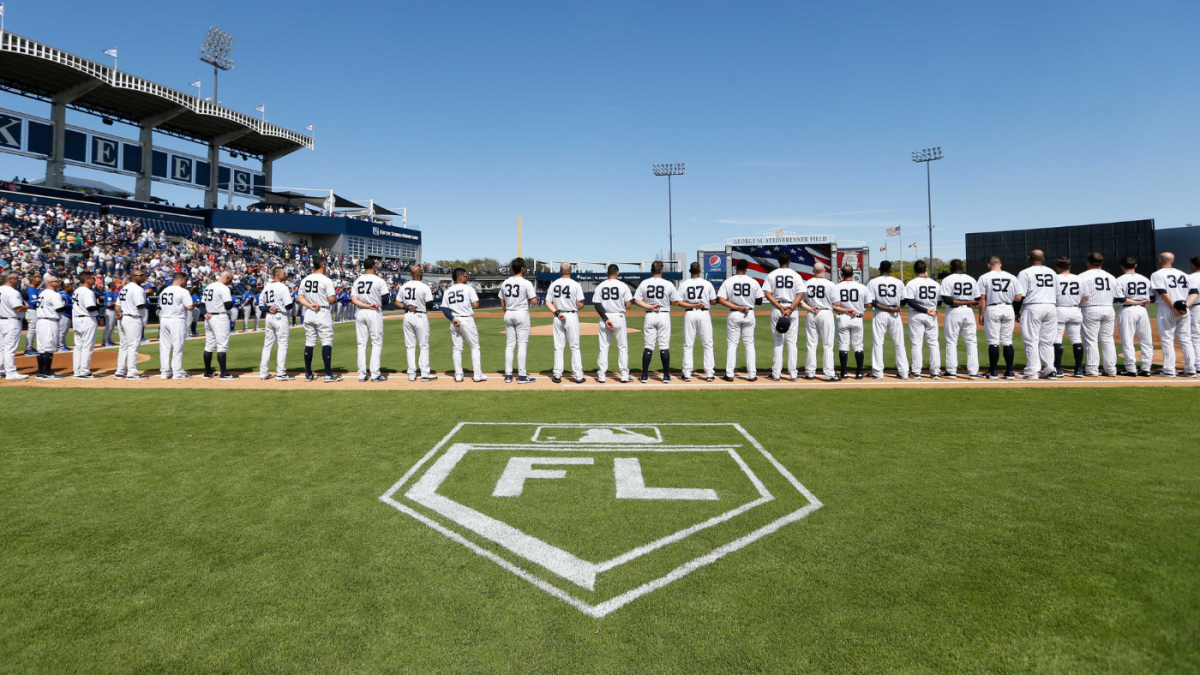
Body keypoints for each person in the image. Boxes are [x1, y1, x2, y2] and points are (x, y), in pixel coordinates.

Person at [1149, 252, 1196, 378]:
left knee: (1167, 339)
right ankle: (1191, 369)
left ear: (1160, 260)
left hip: (1167, 308)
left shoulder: (1157, 274)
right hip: (1184, 309)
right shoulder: (1184, 274)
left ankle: (1169, 370)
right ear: (1172, 261)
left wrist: (1174, 307)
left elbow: (1163, 293)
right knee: (1186, 340)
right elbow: (1195, 293)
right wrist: (1185, 306)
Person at [716, 258, 764, 381]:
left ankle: (730, 374)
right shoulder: (753, 281)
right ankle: (752, 374)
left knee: (732, 344)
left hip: (734, 313)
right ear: (747, 268)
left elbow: (721, 299)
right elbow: (759, 301)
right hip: (749, 313)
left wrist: (738, 306)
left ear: (736, 267)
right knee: (749, 344)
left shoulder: (729, 281)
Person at [633, 260, 680, 383]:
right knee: (664, 346)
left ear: (651, 270)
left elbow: (637, 300)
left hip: (650, 315)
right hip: (663, 314)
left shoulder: (645, 283)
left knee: (648, 346)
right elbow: (676, 301)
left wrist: (649, 306)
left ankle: (644, 375)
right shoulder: (668, 283)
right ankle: (665, 376)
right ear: (662, 270)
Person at [1014, 249, 1058, 380]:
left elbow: (1019, 296)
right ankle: (1050, 370)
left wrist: (1017, 311)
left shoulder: (1025, 272)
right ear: (1043, 258)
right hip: (1050, 306)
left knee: (1031, 340)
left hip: (1033, 306)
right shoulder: (1052, 272)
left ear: (1029, 258)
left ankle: (1032, 371)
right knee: (1048, 341)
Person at [298, 257, 341, 382]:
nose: (326, 266)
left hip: (309, 311)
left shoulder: (305, 279)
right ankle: (328, 373)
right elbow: (332, 299)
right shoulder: (326, 280)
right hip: (322, 311)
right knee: (326, 340)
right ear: (322, 265)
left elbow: (300, 297)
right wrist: (321, 300)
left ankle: (308, 373)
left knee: (310, 341)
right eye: (325, 264)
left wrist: (310, 304)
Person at [976, 256, 1019, 379]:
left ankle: (993, 372)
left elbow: (982, 298)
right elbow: (1018, 297)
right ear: (1001, 264)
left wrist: (981, 314)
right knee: (1007, 341)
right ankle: (1010, 372)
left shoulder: (984, 277)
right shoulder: (1012, 277)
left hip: (993, 308)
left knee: (993, 341)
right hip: (1008, 308)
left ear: (989, 265)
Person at [763, 252, 804, 381]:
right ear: (789, 262)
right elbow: (800, 294)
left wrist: (781, 308)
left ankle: (776, 374)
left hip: (777, 308)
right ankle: (793, 374)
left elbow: (768, 293)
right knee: (792, 342)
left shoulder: (772, 274)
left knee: (778, 341)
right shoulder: (796, 275)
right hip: (792, 310)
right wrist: (790, 308)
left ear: (778, 262)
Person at [1077, 252, 1119, 377]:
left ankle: (1092, 369)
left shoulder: (1082, 276)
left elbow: (1080, 296)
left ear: (1088, 262)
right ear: (1101, 262)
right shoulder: (1111, 277)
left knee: (1091, 340)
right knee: (1107, 339)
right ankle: (1111, 369)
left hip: (1091, 308)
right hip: (1108, 308)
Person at [866, 260, 908, 380]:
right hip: (894, 313)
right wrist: (895, 307)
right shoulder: (898, 282)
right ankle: (904, 372)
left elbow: (872, 301)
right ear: (890, 270)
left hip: (880, 313)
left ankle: (878, 373)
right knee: (899, 343)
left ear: (880, 269)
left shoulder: (873, 282)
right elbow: (904, 300)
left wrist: (887, 308)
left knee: (878, 343)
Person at [442, 268, 485, 382]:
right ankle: (477, 375)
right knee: (475, 347)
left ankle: (458, 375)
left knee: (457, 349)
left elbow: (444, 308)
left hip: (454, 320)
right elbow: (476, 304)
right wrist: (468, 307)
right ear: (461, 278)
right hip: (466, 320)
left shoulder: (448, 290)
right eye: (466, 276)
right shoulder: (468, 288)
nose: (467, 278)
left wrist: (452, 318)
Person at [593, 264, 634, 383]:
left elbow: (596, 304)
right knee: (622, 347)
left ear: (607, 273)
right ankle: (624, 375)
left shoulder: (601, 285)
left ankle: (601, 375)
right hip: (619, 316)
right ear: (618, 273)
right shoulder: (623, 286)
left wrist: (606, 319)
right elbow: (629, 305)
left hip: (605, 317)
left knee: (604, 347)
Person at [939, 259, 979, 379]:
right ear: (962, 267)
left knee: (951, 341)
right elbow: (977, 298)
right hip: (968, 311)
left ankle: (951, 371)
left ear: (951, 268)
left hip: (954, 311)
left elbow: (947, 300)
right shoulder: (971, 279)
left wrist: (967, 301)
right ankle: (973, 372)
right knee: (971, 341)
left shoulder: (947, 279)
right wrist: (969, 301)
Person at [499, 257, 537, 383]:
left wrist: (506, 312)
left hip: (508, 313)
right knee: (522, 345)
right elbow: (534, 301)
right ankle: (521, 375)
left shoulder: (505, 282)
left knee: (510, 344)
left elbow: (502, 299)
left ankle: (508, 375)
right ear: (522, 269)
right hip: (521, 313)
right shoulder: (526, 283)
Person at [351, 258, 389, 382]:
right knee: (376, 342)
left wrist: (366, 305)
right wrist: (374, 303)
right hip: (374, 312)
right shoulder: (379, 280)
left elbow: (354, 300)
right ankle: (375, 374)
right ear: (373, 266)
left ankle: (362, 374)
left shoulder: (357, 281)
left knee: (361, 343)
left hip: (361, 311)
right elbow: (386, 300)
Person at [546, 263, 585, 384]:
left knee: (558, 347)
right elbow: (581, 303)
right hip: (571, 315)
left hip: (558, 316)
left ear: (560, 271)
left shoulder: (554, 284)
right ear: (571, 271)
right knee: (574, 346)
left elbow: (548, 302)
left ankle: (557, 375)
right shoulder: (575, 284)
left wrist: (557, 312)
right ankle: (578, 375)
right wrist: (574, 309)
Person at [677, 262, 716, 382]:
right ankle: (709, 373)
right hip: (704, 313)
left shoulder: (684, 284)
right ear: (699, 270)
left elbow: (679, 302)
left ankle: (687, 373)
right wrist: (701, 302)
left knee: (688, 344)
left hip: (689, 313)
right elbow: (713, 301)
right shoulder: (707, 283)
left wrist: (693, 304)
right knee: (707, 343)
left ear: (690, 271)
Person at [1115, 257, 1154, 376]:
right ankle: (1146, 368)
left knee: (1127, 340)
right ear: (1135, 265)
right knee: (1146, 340)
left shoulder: (1119, 280)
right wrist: (1141, 302)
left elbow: (1121, 299)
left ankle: (1131, 368)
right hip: (1142, 311)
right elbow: (1152, 297)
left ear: (1122, 266)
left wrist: (1137, 302)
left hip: (1128, 310)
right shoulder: (1145, 279)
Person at [904, 260, 942, 379]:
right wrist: (929, 309)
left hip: (917, 315)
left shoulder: (911, 283)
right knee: (933, 343)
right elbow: (939, 302)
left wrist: (924, 310)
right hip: (932, 314)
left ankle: (916, 371)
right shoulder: (935, 284)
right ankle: (935, 372)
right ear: (926, 269)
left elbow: (910, 301)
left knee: (916, 343)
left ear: (915, 270)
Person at [399, 266, 437, 382]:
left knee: (410, 346)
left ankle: (411, 373)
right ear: (419, 274)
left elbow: (397, 302)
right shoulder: (424, 287)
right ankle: (424, 373)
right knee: (423, 345)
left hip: (407, 316)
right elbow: (429, 305)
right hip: (420, 316)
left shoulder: (404, 286)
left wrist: (407, 306)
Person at [802, 262, 838, 381]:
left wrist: (811, 307)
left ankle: (810, 372)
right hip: (826, 312)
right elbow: (836, 303)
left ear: (813, 271)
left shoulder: (806, 283)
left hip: (811, 312)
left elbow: (800, 301)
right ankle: (829, 373)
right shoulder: (830, 284)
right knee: (828, 345)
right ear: (825, 270)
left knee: (811, 344)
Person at [832, 265, 869, 380]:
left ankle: (844, 372)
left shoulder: (836, 287)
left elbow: (834, 305)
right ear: (853, 274)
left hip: (843, 317)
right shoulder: (862, 287)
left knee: (843, 346)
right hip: (857, 317)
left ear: (841, 274)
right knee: (858, 346)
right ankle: (859, 373)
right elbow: (868, 304)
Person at [259, 267, 295, 381]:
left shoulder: (266, 287)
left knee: (267, 344)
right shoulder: (283, 287)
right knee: (282, 344)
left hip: (269, 316)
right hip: (280, 316)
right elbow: (289, 305)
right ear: (278, 275)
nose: (286, 274)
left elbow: (261, 306)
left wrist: (269, 308)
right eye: (284, 273)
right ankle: (281, 372)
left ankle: (263, 372)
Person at [201, 270, 238, 380]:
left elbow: (202, 305)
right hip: (220, 317)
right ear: (227, 278)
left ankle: (208, 372)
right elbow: (228, 305)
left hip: (209, 318)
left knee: (209, 345)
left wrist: (204, 314)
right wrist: (230, 292)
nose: (230, 282)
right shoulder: (224, 288)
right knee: (222, 345)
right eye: (230, 280)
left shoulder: (209, 287)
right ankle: (224, 373)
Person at [157, 273, 193, 380]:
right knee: (178, 346)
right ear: (181, 279)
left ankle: (165, 372)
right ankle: (177, 373)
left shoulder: (164, 290)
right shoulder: (183, 291)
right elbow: (189, 307)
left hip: (164, 319)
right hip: (177, 319)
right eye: (185, 279)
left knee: (164, 346)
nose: (185, 281)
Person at [1053, 257, 1085, 378]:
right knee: (1076, 339)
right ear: (1069, 266)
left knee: (1057, 339)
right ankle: (1078, 370)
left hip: (1059, 309)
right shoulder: (1079, 278)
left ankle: (1058, 369)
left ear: (1058, 266)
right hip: (1075, 309)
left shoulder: (1055, 278)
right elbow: (1086, 297)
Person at [114, 269, 148, 380]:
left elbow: (117, 305)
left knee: (124, 345)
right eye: (141, 275)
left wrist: (118, 312)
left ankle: (120, 371)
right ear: (134, 276)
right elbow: (140, 305)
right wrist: (146, 300)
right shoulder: (138, 289)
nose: (143, 276)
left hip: (123, 317)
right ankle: (132, 373)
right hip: (133, 318)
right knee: (133, 345)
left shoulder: (124, 288)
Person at [34, 275, 66, 380]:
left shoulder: (42, 293)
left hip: (40, 321)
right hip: (49, 321)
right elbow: (59, 309)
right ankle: (47, 372)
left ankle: (40, 371)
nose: (59, 282)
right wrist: (64, 304)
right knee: (49, 347)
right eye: (57, 281)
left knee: (41, 348)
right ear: (51, 283)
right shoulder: (54, 294)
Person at [70, 272, 100, 379]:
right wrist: (99, 304)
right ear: (87, 279)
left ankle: (77, 371)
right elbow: (90, 307)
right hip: (87, 319)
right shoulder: (87, 292)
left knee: (79, 346)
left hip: (77, 319)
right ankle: (84, 371)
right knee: (87, 346)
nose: (94, 280)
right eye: (93, 278)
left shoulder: (76, 290)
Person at [0, 272, 29, 380]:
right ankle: (11, 372)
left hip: (2, 320)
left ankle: (2, 369)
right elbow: (17, 308)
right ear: (9, 279)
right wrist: (26, 307)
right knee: (10, 348)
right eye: (16, 278)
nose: (18, 280)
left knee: (2, 347)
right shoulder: (12, 292)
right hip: (11, 320)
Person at [23, 273, 41, 355]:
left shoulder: (34, 289)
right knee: (31, 330)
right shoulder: (31, 289)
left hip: (32, 311)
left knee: (33, 330)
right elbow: (34, 302)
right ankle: (28, 348)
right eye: (38, 280)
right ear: (33, 281)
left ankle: (30, 347)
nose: (39, 281)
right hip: (31, 311)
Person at [1190, 256, 1200, 370]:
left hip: (1196, 308)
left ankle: (1198, 365)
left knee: (1196, 337)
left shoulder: (1189, 278)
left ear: (1193, 265)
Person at [102, 281, 119, 346]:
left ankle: (109, 340)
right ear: (111, 286)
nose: (115, 287)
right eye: (114, 286)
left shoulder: (113, 293)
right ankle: (105, 342)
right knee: (109, 327)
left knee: (111, 327)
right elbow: (109, 304)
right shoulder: (108, 294)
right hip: (109, 311)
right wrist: (116, 302)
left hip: (113, 311)